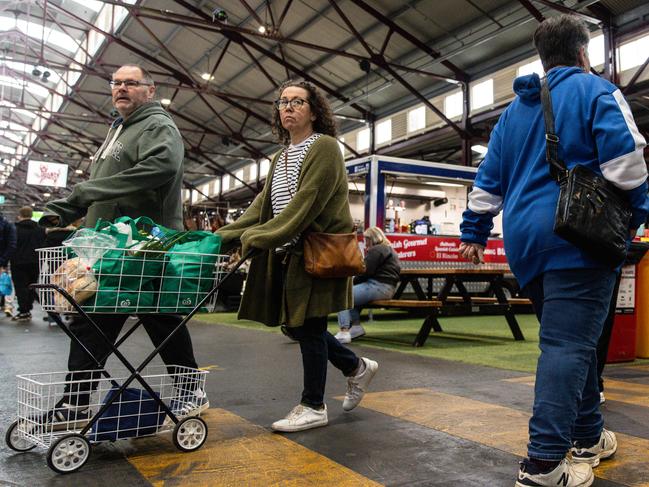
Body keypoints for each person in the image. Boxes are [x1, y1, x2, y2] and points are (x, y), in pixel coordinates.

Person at [459, 15, 649, 487]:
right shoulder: (597, 91)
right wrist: (637, 217)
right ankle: (543, 463)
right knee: (567, 345)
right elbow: (627, 166)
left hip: (525, 243)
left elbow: (488, 181)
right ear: (584, 53)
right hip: (580, 238)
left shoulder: (515, 110)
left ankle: (588, 436)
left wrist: (474, 230)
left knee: (571, 341)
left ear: (545, 57)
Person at [40, 64, 206, 424]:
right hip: (113, 243)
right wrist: (73, 212)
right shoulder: (119, 129)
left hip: (148, 241)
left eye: (131, 83)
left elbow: (161, 167)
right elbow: (108, 185)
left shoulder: (157, 125)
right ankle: (77, 402)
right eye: (116, 83)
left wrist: (83, 193)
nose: (121, 88)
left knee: (157, 316)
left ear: (150, 89)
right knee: (99, 317)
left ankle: (190, 389)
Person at [217, 80, 378, 433]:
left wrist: (258, 237)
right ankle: (356, 368)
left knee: (309, 325)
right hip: (289, 251)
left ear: (314, 110)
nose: (288, 107)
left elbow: (307, 203)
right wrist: (219, 238)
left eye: (298, 102)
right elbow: (263, 206)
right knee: (295, 324)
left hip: (316, 251)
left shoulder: (324, 147)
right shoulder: (280, 156)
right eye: (283, 102)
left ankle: (313, 404)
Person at [335, 226, 400, 343]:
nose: (365, 243)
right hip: (387, 288)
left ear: (373, 238)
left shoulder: (377, 249)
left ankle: (344, 331)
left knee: (342, 295)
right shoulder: (389, 249)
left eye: (367, 240)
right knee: (352, 297)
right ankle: (356, 328)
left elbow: (365, 270)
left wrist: (352, 282)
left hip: (378, 286)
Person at [9, 206, 45, 322]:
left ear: (20, 215)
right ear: (31, 215)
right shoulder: (40, 229)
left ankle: (24, 311)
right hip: (35, 261)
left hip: (18, 262)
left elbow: (11, 244)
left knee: (20, 287)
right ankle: (28, 307)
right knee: (31, 285)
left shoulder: (14, 228)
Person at [0, 212, 16, 317]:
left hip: (2, 260)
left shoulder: (7, 225)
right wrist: (3, 260)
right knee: (5, 282)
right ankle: (7, 304)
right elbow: (12, 244)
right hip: (2, 261)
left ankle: (6, 304)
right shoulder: (8, 225)